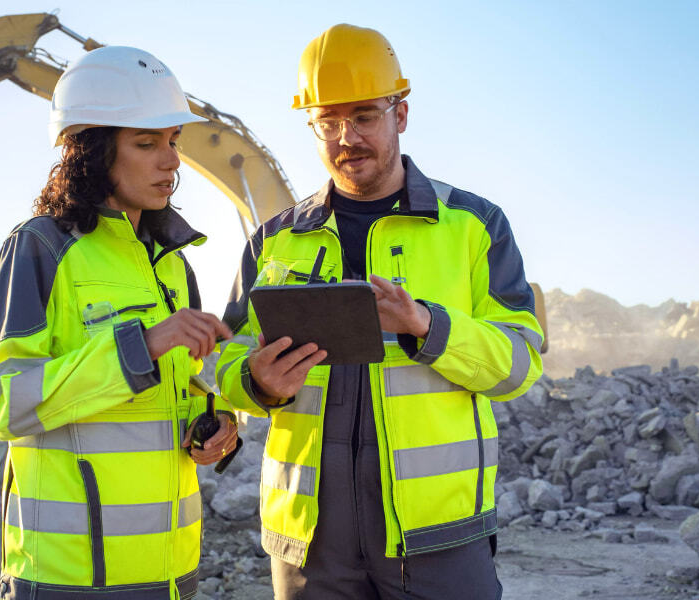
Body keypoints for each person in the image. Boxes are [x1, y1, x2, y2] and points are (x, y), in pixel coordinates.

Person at [210, 24, 544, 599]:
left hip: (439, 537)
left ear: (401, 115)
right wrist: (253, 381)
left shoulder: (474, 226)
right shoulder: (274, 241)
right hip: (311, 545)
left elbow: (519, 364)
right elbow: (221, 358)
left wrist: (427, 327)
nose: (347, 137)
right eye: (328, 121)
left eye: (364, 116)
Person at [0, 45, 241, 600]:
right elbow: (7, 403)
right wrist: (138, 348)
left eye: (173, 141)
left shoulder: (173, 263)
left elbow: (181, 395)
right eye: (146, 144)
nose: (171, 160)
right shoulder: (40, 250)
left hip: (169, 573)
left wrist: (212, 427)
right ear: (93, 151)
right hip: (68, 579)